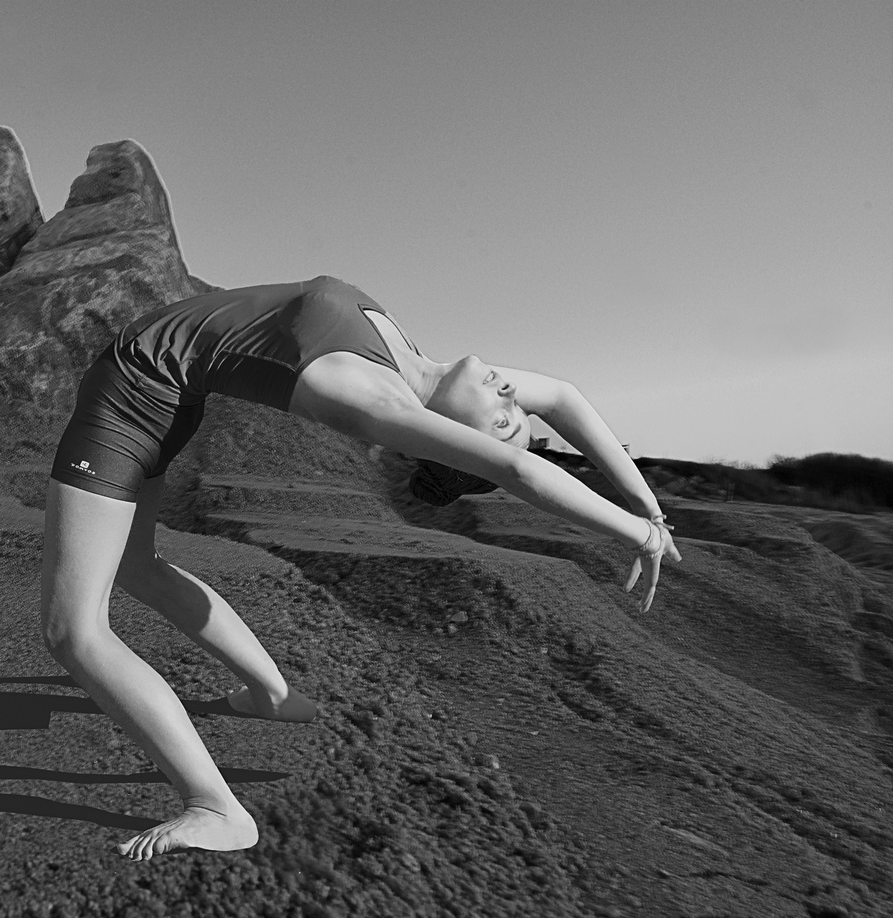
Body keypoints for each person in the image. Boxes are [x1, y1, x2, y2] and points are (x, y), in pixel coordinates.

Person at [40, 275, 681, 862]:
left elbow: (517, 469)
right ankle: (273, 696)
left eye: (504, 421)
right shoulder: (420, 370)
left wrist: (639, 537)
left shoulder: (371, 397)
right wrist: (646, 504)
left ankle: (216, 808)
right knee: (137, 566)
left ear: (454, 434)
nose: (512, 393)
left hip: (133, 395)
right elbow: (564, 397)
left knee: (75, 631)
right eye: (518, 413)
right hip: (164, 386)